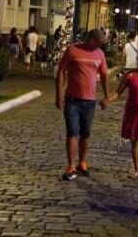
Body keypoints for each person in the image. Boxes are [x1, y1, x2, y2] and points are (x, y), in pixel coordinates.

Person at [55, 29, 110, 181]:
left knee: (85, 133)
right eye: (99, 43)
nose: (101, 46)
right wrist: (59, 95)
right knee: (72, 132)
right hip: (72, 100)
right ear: (91, 39)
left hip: (89, 101)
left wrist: (106, 97)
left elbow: (105, 74)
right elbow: (61, 71)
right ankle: (71, 165)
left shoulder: (99, 54)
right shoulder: (73, 50)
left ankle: (82, 162)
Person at [103, 51, 138, 179]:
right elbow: (118, 92)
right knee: (135, 141)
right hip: (133, 112)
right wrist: (107, 100)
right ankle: (137, 170)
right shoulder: (130, 75)